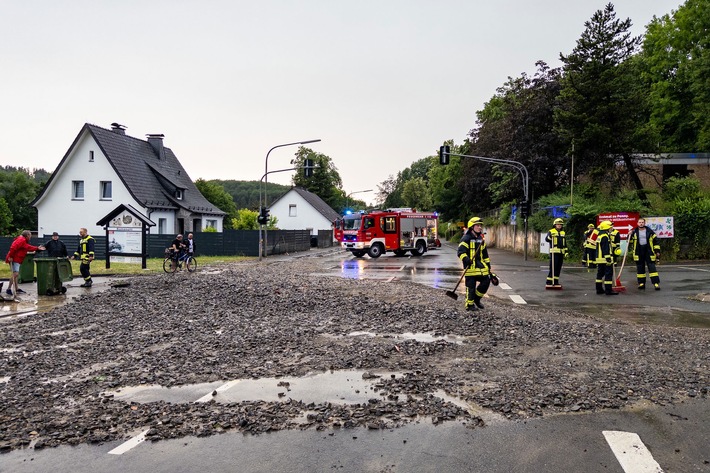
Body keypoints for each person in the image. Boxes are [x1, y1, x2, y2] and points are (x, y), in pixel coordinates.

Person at [457, 216, 492, 311]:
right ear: (472, 227)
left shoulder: (481, 238)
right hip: (470, 268)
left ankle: (477, 299)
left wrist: (488, 265)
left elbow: (485, 254)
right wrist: (466, 259)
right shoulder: (466, 238)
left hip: (480, 267)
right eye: (478, 225)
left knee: (486, 281)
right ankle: (469, 304)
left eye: (480, 225)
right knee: (470, 287)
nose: (480, 227)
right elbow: (460, 252)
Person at [5, 230, 45, 297]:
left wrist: (37, 248)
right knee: (15, 274)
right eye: (30, 236)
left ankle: (17, 289)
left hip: (17, 259)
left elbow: (28, 247)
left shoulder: (23, 240)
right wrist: (11, 256)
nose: (30, 237)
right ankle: (8, 289)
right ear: (27, 235)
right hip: (14, 259)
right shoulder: (21, 240)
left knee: (16, 275)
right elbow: (13, 247)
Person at [628, 217, 661, 290]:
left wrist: (657, 251)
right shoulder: (634, 232)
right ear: (637, 223)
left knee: (652, 268)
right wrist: (629, 235)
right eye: (639, 222)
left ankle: (656, 283)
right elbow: (629, 242)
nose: (641, 223)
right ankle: (641, 283)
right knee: (640, 268)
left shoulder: (650, 232)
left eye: (642, 222)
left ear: (644, 223)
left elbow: (656, 241)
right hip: (638, 251)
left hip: (648, 251)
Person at [594, 221, 618, 296]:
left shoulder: (600, 236)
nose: (611, 228)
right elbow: (605, 248)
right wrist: (608, 258)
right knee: (608, 275)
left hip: (599, 259)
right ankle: (608, 290)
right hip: (605, 259)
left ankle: (599, 289)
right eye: (610, 227)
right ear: (607, 227)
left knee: (599, 275)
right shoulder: (605, 236)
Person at [545, 218, 568, 288]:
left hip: (561, 252)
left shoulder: (563, 233)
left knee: (558, 267)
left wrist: (566, 251)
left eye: (560, 224)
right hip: (554, 252)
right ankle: (549, 281)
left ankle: (556, 281)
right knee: (553, 267)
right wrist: (550, 236)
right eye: (558, 224)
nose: (559, 225)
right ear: (555, 225)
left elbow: (565, 243)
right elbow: (546, 239)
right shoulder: (551, 231)